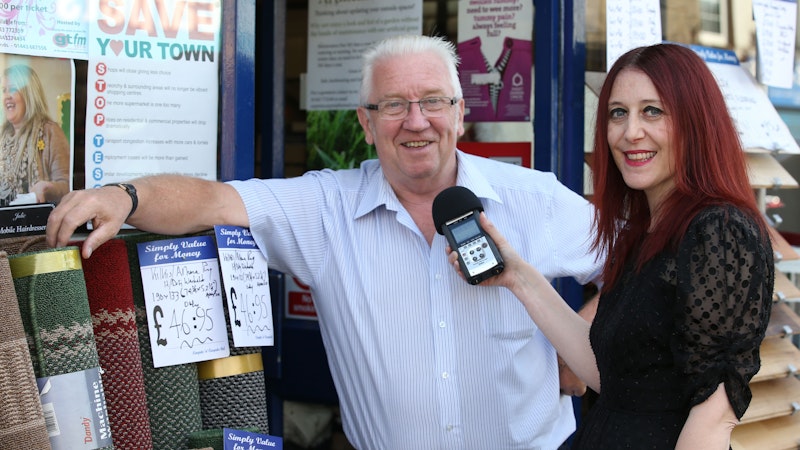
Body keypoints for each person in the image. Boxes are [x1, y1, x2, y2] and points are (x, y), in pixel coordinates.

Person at [47, 34, 603, 449]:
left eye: (433, 101)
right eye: (392, 105)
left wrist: (584, 344)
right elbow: (211, 200)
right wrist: (127, 196)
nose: (415, 121)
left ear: (460, 113)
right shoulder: (325, 207)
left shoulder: (536, 199)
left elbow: (638, 260)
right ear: (365, 122)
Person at [448, 43, 774, 450]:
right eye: (618, 113)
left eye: (652, 111)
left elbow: (712, 414)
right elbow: (612, 375)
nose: (630, 131)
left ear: (696, 121)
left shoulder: (720, 230)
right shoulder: (646, 232)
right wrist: (517, 276)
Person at [0, 64, 70, 206]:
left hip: (35, 219)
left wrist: (48, 188)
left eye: (13, 89)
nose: (6, 96)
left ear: (29, 93)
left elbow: (67, 185)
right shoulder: (2, 134)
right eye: (3, 90)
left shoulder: (50, 131)